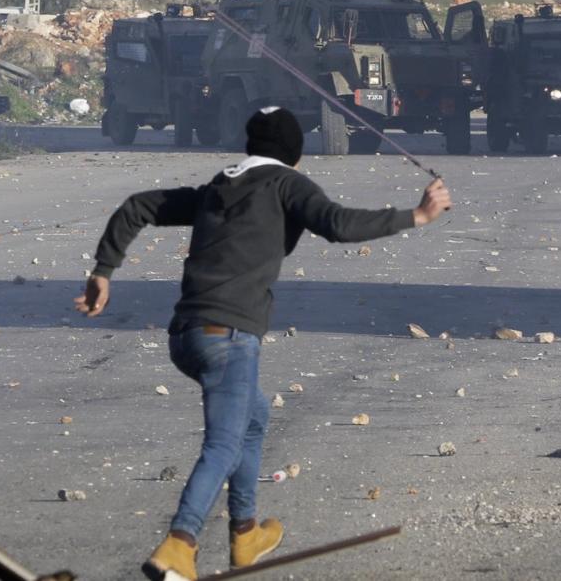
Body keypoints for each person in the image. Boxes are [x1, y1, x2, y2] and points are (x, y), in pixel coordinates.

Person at [74, 107, 452, 581]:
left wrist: (102, 271)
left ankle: (246, 532)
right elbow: (337, 223)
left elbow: (137, 207)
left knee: (254, 417)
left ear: (250, 146)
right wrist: (416, 215)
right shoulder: (287, 184)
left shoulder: (219, 186)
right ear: (296, 154)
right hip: (229, 337)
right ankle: (179, 543)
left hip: (188, 336)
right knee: (225, 443)